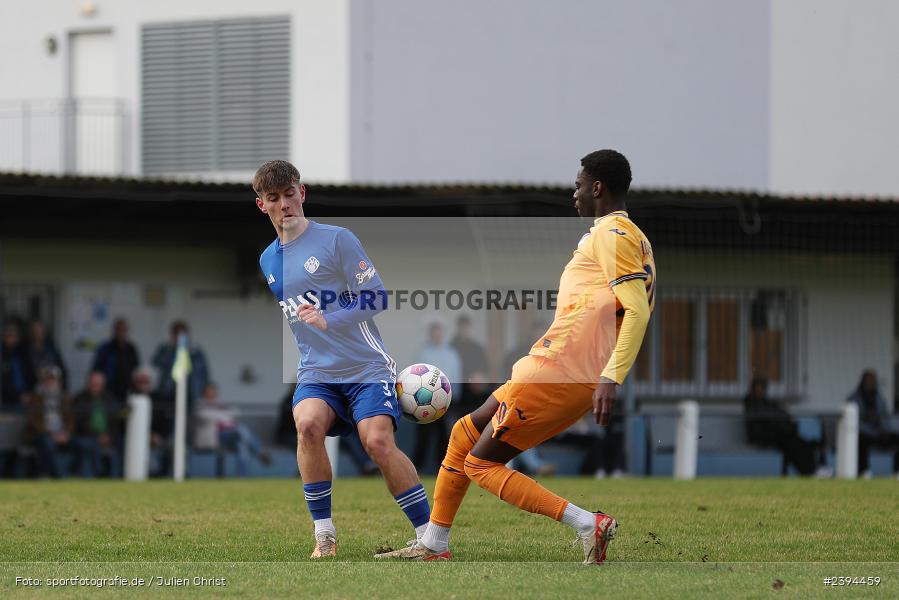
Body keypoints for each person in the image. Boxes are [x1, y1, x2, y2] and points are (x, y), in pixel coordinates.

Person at [377, 149, 654, 564]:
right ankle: (434, 543)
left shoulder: (611, 234)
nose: (573, 192)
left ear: (597, 187)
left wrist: (611, 377)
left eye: (579, 184)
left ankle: (587, 524)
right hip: (557, 367)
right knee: (462, 435)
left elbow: (638, 309)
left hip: (560, 370)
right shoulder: (631, 237)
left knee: (480, 465)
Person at [254, 160, 430, 557]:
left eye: (289, 194)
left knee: (378, 442)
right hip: (317, 371)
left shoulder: (337, 239)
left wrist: (329, 319)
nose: (284, 204)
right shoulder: (268, 260)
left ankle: (429, 538)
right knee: (307, 426)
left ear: (303, 193)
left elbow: (378, 297)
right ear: (262, 205)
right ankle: (325, 537)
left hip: (366, 366)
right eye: (274, 198)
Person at [743, 376, 820, 476]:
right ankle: (808, 470)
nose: (761, 390)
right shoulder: (750, 401)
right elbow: (764, 418)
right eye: (758, 388)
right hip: (762, 437)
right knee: (792, 443)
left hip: (776, 435)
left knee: (799, 443)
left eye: (763, 388)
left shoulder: (766, 402)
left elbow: (783, 414)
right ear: (753, 389)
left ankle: (811, 469)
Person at [412, 320, 462, 471]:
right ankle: (416, 468)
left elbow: (456, 376)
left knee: (443, 435)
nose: (436, 335)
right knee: (423, 435)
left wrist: (455, 397)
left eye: (439, 331)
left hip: (445, 401)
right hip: (424, 401)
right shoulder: (423, 353)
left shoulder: (451, 354)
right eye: (434, 332)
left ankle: (443, 468)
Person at [193, 382, 272, 476]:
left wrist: (222, 413)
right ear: (204, 394)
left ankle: (242, 477)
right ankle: (260, 452)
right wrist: (223, 414)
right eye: (209, 394)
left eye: (213, 394)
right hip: (214, 438)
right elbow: (205, 416)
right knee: (241, 429)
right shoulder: (200, 405)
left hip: (229, 436)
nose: (211, 396)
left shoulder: (219, 406)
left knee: (241, 444)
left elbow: (236, 412)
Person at [847, 370, 899, 478]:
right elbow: (855, 422)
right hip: (865, 433)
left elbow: (885, 417)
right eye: (869, 380)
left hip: (880, 434)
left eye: (873, 380)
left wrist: (885, 431)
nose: (871, 383)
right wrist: (873, 432)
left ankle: (896, 471)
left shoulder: (879, 398)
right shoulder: (854, 398)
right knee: (859, 441)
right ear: (863, 381)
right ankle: (864, 471)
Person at [70, 371, 122, 477]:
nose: (96, 388)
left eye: (99, 385)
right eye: (93, 385)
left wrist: (109, 436)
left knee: (123, 444)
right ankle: (96, 475)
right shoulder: (80, 399)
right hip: (85, 436)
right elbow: (80, 423)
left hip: (108, 437)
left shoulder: (109, 399)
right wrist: (97, 436)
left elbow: (115, 421)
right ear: (88, 384)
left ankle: (117, 478)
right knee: (89, 445)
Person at [23, 366, 72, 478]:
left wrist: (66, 433)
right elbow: (33, 421)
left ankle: (81, 475)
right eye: (47, 379)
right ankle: (57, 475)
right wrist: (52, 434)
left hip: (61, 434)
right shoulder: (35, 398)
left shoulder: (64, 398)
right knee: (48, 443)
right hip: (40, 434)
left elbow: (71, 419)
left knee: (82, 444)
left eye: (53, 379)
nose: (50, 382)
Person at [152, 320, 211, 407]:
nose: (180, 337)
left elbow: (204, 374)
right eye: (177, 333)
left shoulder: (196, 352)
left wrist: (204, 392)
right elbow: (156, 366)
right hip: (168, 392)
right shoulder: (165, 350)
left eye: (183, 334)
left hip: (192, 392)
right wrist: (173, 349)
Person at [92, 318, 140, 402]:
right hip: (108, 389)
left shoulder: (131, 349)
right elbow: (97, 370)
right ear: (114, 330)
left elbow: (136, 369)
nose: (121, 332)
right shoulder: (105, 348)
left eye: (123, 329)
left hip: (127, 389)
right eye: (119, 329)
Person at [1, 321, 36, 410]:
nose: (12, 338)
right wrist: (17, 396)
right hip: (7, 402)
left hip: (27, 398)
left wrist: (29, 393)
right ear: (3, 336)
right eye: (9, 335)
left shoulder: (23, 353)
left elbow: (31, 374)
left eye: (14, 335)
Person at [26, 320, 68, 392]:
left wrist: (64, 388)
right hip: (34, 389)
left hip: (53, 387)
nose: (37, 334)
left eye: (40, 331)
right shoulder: (25, 350)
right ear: (31, 333)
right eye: (35, 331)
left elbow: (62, 369)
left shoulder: (52, 348)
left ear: (44, 332)